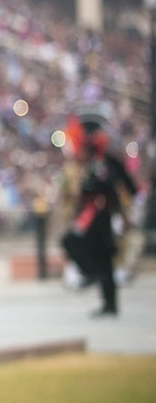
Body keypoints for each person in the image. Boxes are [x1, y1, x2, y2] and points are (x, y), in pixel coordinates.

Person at [62, 115, 137, 317]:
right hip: (97, 217)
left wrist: (123, 215)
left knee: (75, 245)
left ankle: (95, 277)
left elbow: (111, 191)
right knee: (104, 261)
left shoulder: (101, 166)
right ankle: (108, 302)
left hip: (100, 219)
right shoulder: (97, 165)